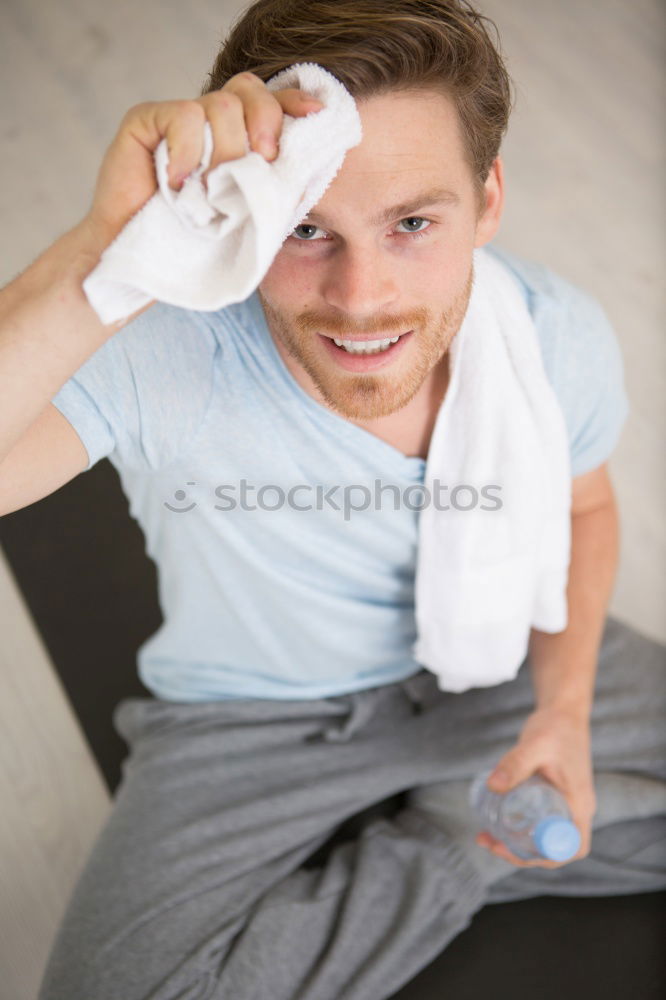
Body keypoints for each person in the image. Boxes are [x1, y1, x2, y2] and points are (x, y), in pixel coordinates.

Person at [0, 1, 663, 997]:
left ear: (487, 200)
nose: (360, 298)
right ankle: (457, 838)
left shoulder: (551, 332)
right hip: (253, 720)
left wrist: (562, 712)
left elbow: (585, 512)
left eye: (411, 223)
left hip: (500, 663)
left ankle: (468, 807)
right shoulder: (172, 346)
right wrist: (102, 248)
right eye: (306, 228)